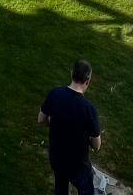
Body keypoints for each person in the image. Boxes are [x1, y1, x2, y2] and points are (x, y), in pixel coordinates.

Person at [37, 59, 102, 195]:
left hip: (57, 157)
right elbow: (97, 145)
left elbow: (41, 119)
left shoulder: (55, 94)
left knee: (60, 188)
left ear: (71, 73)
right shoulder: (88, 109)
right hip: (78, 166)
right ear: (88, 81)